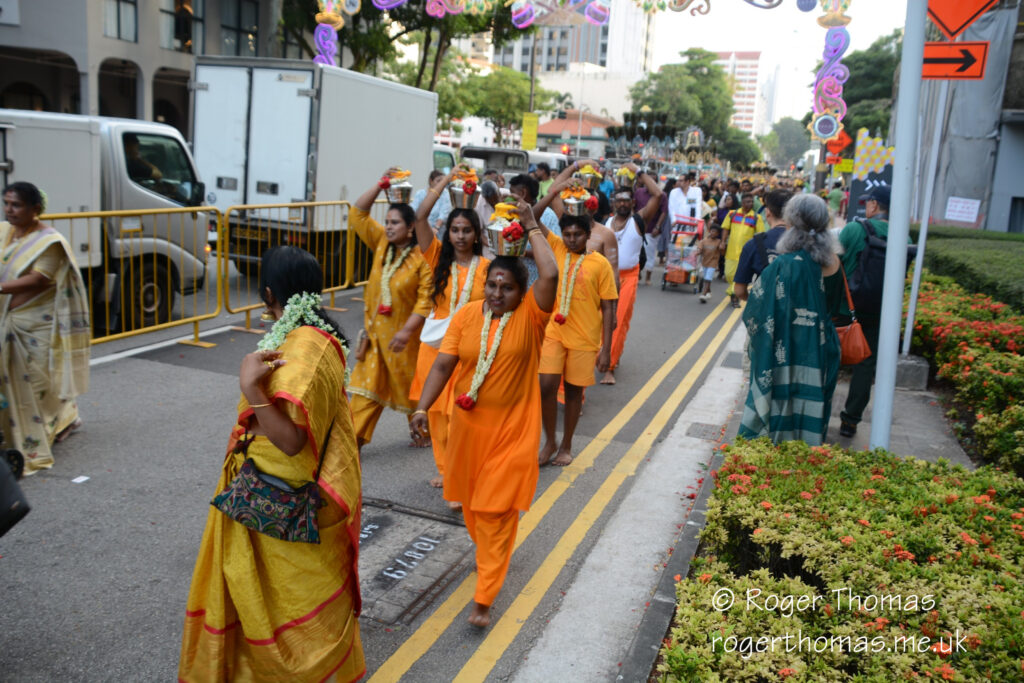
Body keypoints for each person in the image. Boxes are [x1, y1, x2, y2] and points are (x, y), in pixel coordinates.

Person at [179, 246, 364, 682]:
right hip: (279, 493)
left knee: (279, 605)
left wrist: (250, 386)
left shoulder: (302, 349)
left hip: (277, 497)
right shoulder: (311, 336)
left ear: (267, 293)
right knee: (266, 599)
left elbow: (289, 440)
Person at [410, 199, 557, 628]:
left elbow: (548, 273)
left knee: (493, 510)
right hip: (468, 429)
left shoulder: (531, 317)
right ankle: (492, 555)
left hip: (514, 431)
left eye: (506, 287)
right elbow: (443, 364)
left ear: (520, 292)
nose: (496, 293)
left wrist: (531, 225)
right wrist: (422, 407)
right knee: (475, 510)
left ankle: (484, 598)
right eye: (492, 285)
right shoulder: (467, 316)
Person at [409, 165, 490, 498]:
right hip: (436, 349)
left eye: (466, 230)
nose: (460, 236)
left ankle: (461, 472)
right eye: (455, 229)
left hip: (469, 350)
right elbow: (420, 216)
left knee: (461, 415)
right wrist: (446, 180)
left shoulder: (487, 268)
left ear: (476, 234)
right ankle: (447, 470)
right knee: (438, 418)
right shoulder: (436, 257)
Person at [0, 182, 90, 475]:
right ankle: (62, 420)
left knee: (37, 383)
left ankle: (38, 436)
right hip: (9, 321)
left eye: (16, 205)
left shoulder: (49, 241)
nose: (9, 210)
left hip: (35, 325)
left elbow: (40, 279)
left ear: (34, 209)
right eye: (6, 203)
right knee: (10, 381)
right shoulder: (5, 233)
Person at [738, 194, 841, 446]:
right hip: (820, 353)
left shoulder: (783, 265)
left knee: (779, 411)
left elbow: (755, 310)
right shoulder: (835, 262)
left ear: (792, 221)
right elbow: (838, 309)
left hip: (783, 353)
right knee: (812, 411)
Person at [348, 170, 433, 448]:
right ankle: (351, 439)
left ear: (411, 228)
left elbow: (425, 300)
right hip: (374, 338)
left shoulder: (423, 258)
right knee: (366, 389)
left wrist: (407, 331)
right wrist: (380, 185)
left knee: (409, 388)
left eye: (395, 223)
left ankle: (422, 428)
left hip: (404, 343)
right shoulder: (381, 242)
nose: (388, 227)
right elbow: (357, 214)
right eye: (386, 222)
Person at [536, 211, 617, 466]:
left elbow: (608, 306)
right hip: (555, 332)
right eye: (567, 234)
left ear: (588, 235)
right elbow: (534, 216)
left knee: (573, 393)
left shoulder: (600, 264)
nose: (571, 239)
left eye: (577, 234)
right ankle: (549, 440)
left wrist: (606, 350)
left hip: (585, 338)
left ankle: (566, 445)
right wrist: (558, 187)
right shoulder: (557, 249)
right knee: (545, 386)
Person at [836, 185, 892, 438]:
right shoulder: (904, 236)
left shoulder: (854, 230)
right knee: (865, 365)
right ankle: (850, 422)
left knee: (830, 359)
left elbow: (832, 262)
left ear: (874, 205)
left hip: (844, 307)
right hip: (878, 310)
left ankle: (818, 415)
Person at [601, 164, 662, 385]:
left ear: (633, 202)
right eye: (619, 200)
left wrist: (639, 171)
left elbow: (658, 194)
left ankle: (609, 367)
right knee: (602, 321)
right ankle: (608, 355)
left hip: (628, 278)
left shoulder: (638, 220)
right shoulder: (607, 222)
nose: (623, 203)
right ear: (614, 203)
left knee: (617, 321)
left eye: (627, 200)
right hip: (605, 278)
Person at [733, 189, 793, 302]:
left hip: (765, 314)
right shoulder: (808, 243)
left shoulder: (754, 244)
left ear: (768, 212)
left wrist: (758, 304)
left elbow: (739, 291)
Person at [508, 173, 561, 287]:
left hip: (537, 284)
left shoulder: (548, 215)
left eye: (512, 192)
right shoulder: (511, 213)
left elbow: (556, 251)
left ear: (523, 193)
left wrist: (523, 252)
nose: (509, 196)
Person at [720, 193, 767, 308]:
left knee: (738, 276)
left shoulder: (757, 217)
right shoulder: (732, 214)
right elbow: (725, 229)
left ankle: (734, 296)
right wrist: (722, 242)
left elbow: (760, 234)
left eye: (751, 202)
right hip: (731, 250)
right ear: (742, 203)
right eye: (747, 202)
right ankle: (733, 291)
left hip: (745, 253)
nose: (750, 204)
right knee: (729, 274)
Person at [411, 170, 453, 236]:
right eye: (438, 181)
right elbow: (413, 210)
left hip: (438, 232)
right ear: (431, 181)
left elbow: (444, 213)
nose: (441, 184)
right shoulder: (420, 193)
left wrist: (436, 228)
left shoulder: (445, 194)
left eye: (443, 182)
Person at [696, 225, 723, 303]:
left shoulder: (718, 241)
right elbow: (700, 249)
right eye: (712, 231)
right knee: (706, 277)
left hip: (713, 262)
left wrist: (722, 248)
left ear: (718, 234)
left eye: (715, 232)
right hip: (705, 262)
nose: (713, 233)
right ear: (709, 231)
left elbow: (722, 252)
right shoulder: (703, 241)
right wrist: (697, 252)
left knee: (708, 278)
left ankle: (703, 294)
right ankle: (709, 292)